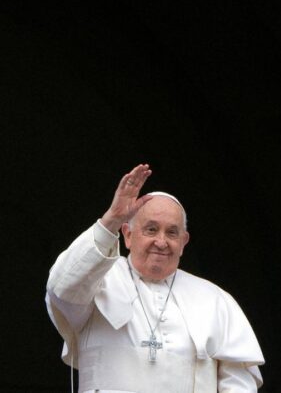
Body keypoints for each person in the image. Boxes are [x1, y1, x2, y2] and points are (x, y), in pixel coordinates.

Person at [46, 163, 265, 393]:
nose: (161, 242)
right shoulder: (96, 281)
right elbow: (61, 287)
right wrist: (111, 219)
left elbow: (238, 384)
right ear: (128, 235)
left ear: (184, 242)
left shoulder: (215, 300)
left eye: (172, 232)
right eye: (151, 229)